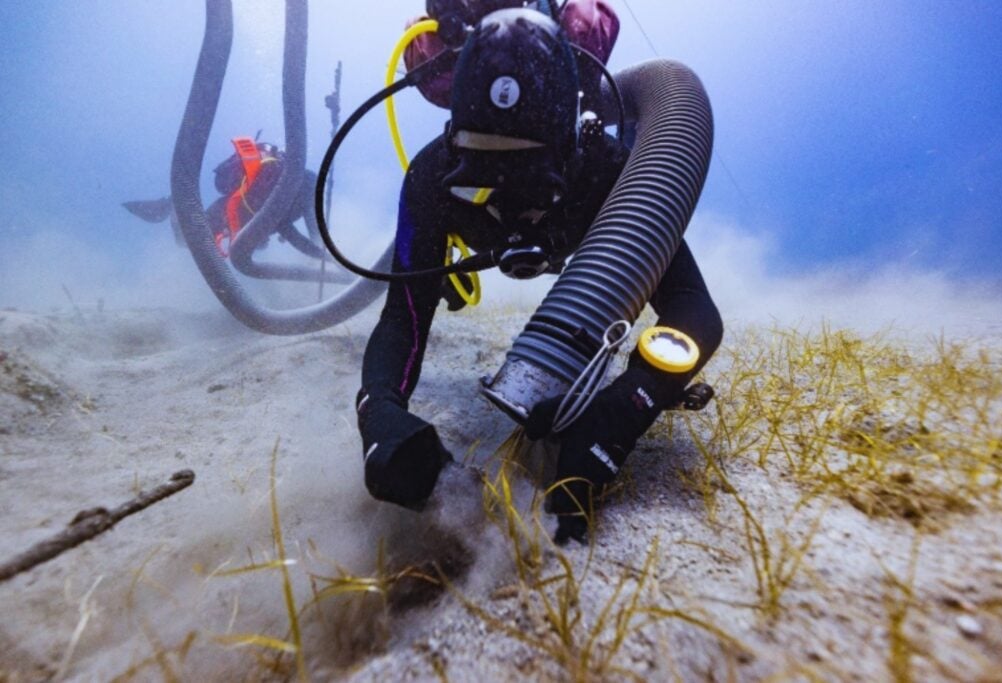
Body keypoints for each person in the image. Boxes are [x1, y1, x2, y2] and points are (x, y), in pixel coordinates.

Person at [356, 3, 723, 544]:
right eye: (481, 180)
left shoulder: (604, 169)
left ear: (572, 149)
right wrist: (378, 411)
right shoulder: (432, 179)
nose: (512, 201)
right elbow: (401, 321)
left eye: (532, 182)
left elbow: (695, 313)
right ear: (455, 144)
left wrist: (621, 411)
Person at [123, 137, 323, 258]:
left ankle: (176, 205)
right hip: (229, 212)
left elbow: (314, 234)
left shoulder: (301, 190)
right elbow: (295, 235)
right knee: (186, 241)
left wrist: (322, 253)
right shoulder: (290, 191)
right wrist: (325, 259)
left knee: (253, 245)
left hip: (239, 215)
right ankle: (175, 204)